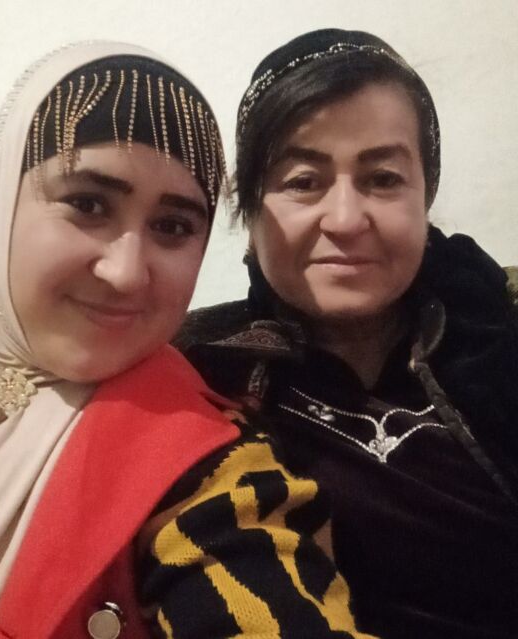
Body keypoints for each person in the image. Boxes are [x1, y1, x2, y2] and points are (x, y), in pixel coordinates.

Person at [0, 41, 375, 639]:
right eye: (88, 204)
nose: (126, 272)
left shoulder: (210, 469)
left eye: (173, 226)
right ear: (0, 205)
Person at [176, 28, 518, 639]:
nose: (345, 219)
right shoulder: (195, 375)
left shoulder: (495, 332)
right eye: (303, 181)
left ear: (425, 195)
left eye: (382, 178)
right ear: (250, 210)